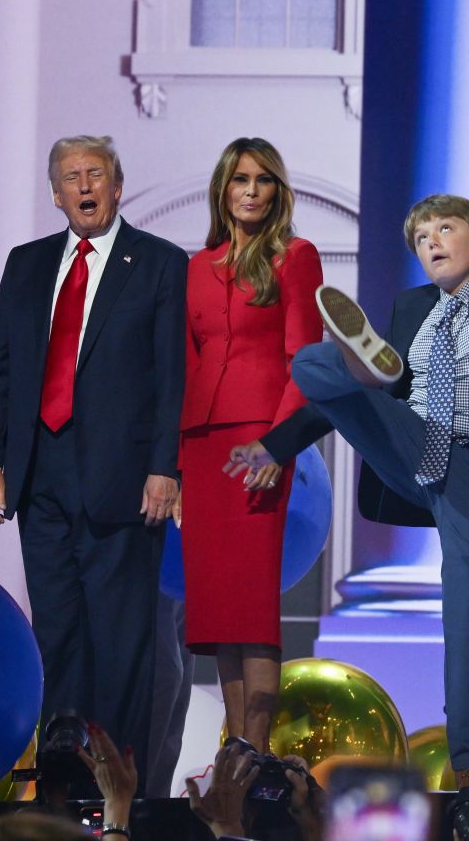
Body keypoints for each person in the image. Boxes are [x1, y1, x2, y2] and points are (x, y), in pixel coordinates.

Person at [226, 194, 469, 833]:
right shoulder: (412, 307)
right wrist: (274, 444)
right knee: (314, 363)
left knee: (468, 611)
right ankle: (370, 365)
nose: (432, 242)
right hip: (414, 448)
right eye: (421, 238)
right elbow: (325, 408)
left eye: (446, 230)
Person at [0, 135, 187, 793]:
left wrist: (164, 467)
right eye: (71, 176)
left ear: (117, 186)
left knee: (123, 646)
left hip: (124, 481)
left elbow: (170, 375)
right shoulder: (27, 263)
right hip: (40, 475)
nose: (84, 184)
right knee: (58, 633)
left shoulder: (156, 262)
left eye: (96, 173)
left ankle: (121, 795)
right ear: (56, 193)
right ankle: (65, 793)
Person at [179, 137, 324, 752]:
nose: (250, 190)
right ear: (223, 188)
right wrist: (173, 466)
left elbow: (306, 361)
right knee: (219, 617)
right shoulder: (196, 266)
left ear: (277, 192)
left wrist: (278, 447)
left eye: (263, 180)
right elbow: (186, 363)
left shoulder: (297, 256)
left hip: (257, 443)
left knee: (252, 608)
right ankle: (234, 749)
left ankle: (257, 756)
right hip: (201, 447)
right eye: (240, 179)